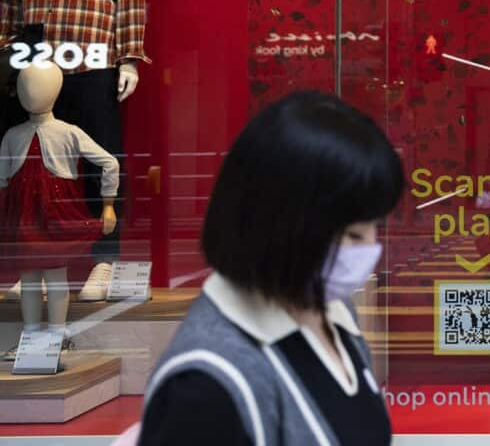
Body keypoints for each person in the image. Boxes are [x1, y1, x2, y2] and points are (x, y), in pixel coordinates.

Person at [139, 92, 402, 446]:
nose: (370, 251)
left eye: (375, 229)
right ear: (282, 224)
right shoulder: (205, 389)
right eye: (353, 234)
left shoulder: (333, 315)